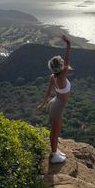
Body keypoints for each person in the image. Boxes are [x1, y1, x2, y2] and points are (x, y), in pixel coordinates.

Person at [36, 35, 71, 163]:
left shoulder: (53, 77)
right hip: (57, 106)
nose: (63, 62)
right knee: (55, 132)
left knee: (54, 130)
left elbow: (47, 93)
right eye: (61, 62)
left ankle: (55, 150)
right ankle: (54, 155)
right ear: (60, 67)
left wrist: (42, 104)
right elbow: (67, 59)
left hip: (53, 103)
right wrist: (68, 45)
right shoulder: (62, 77)